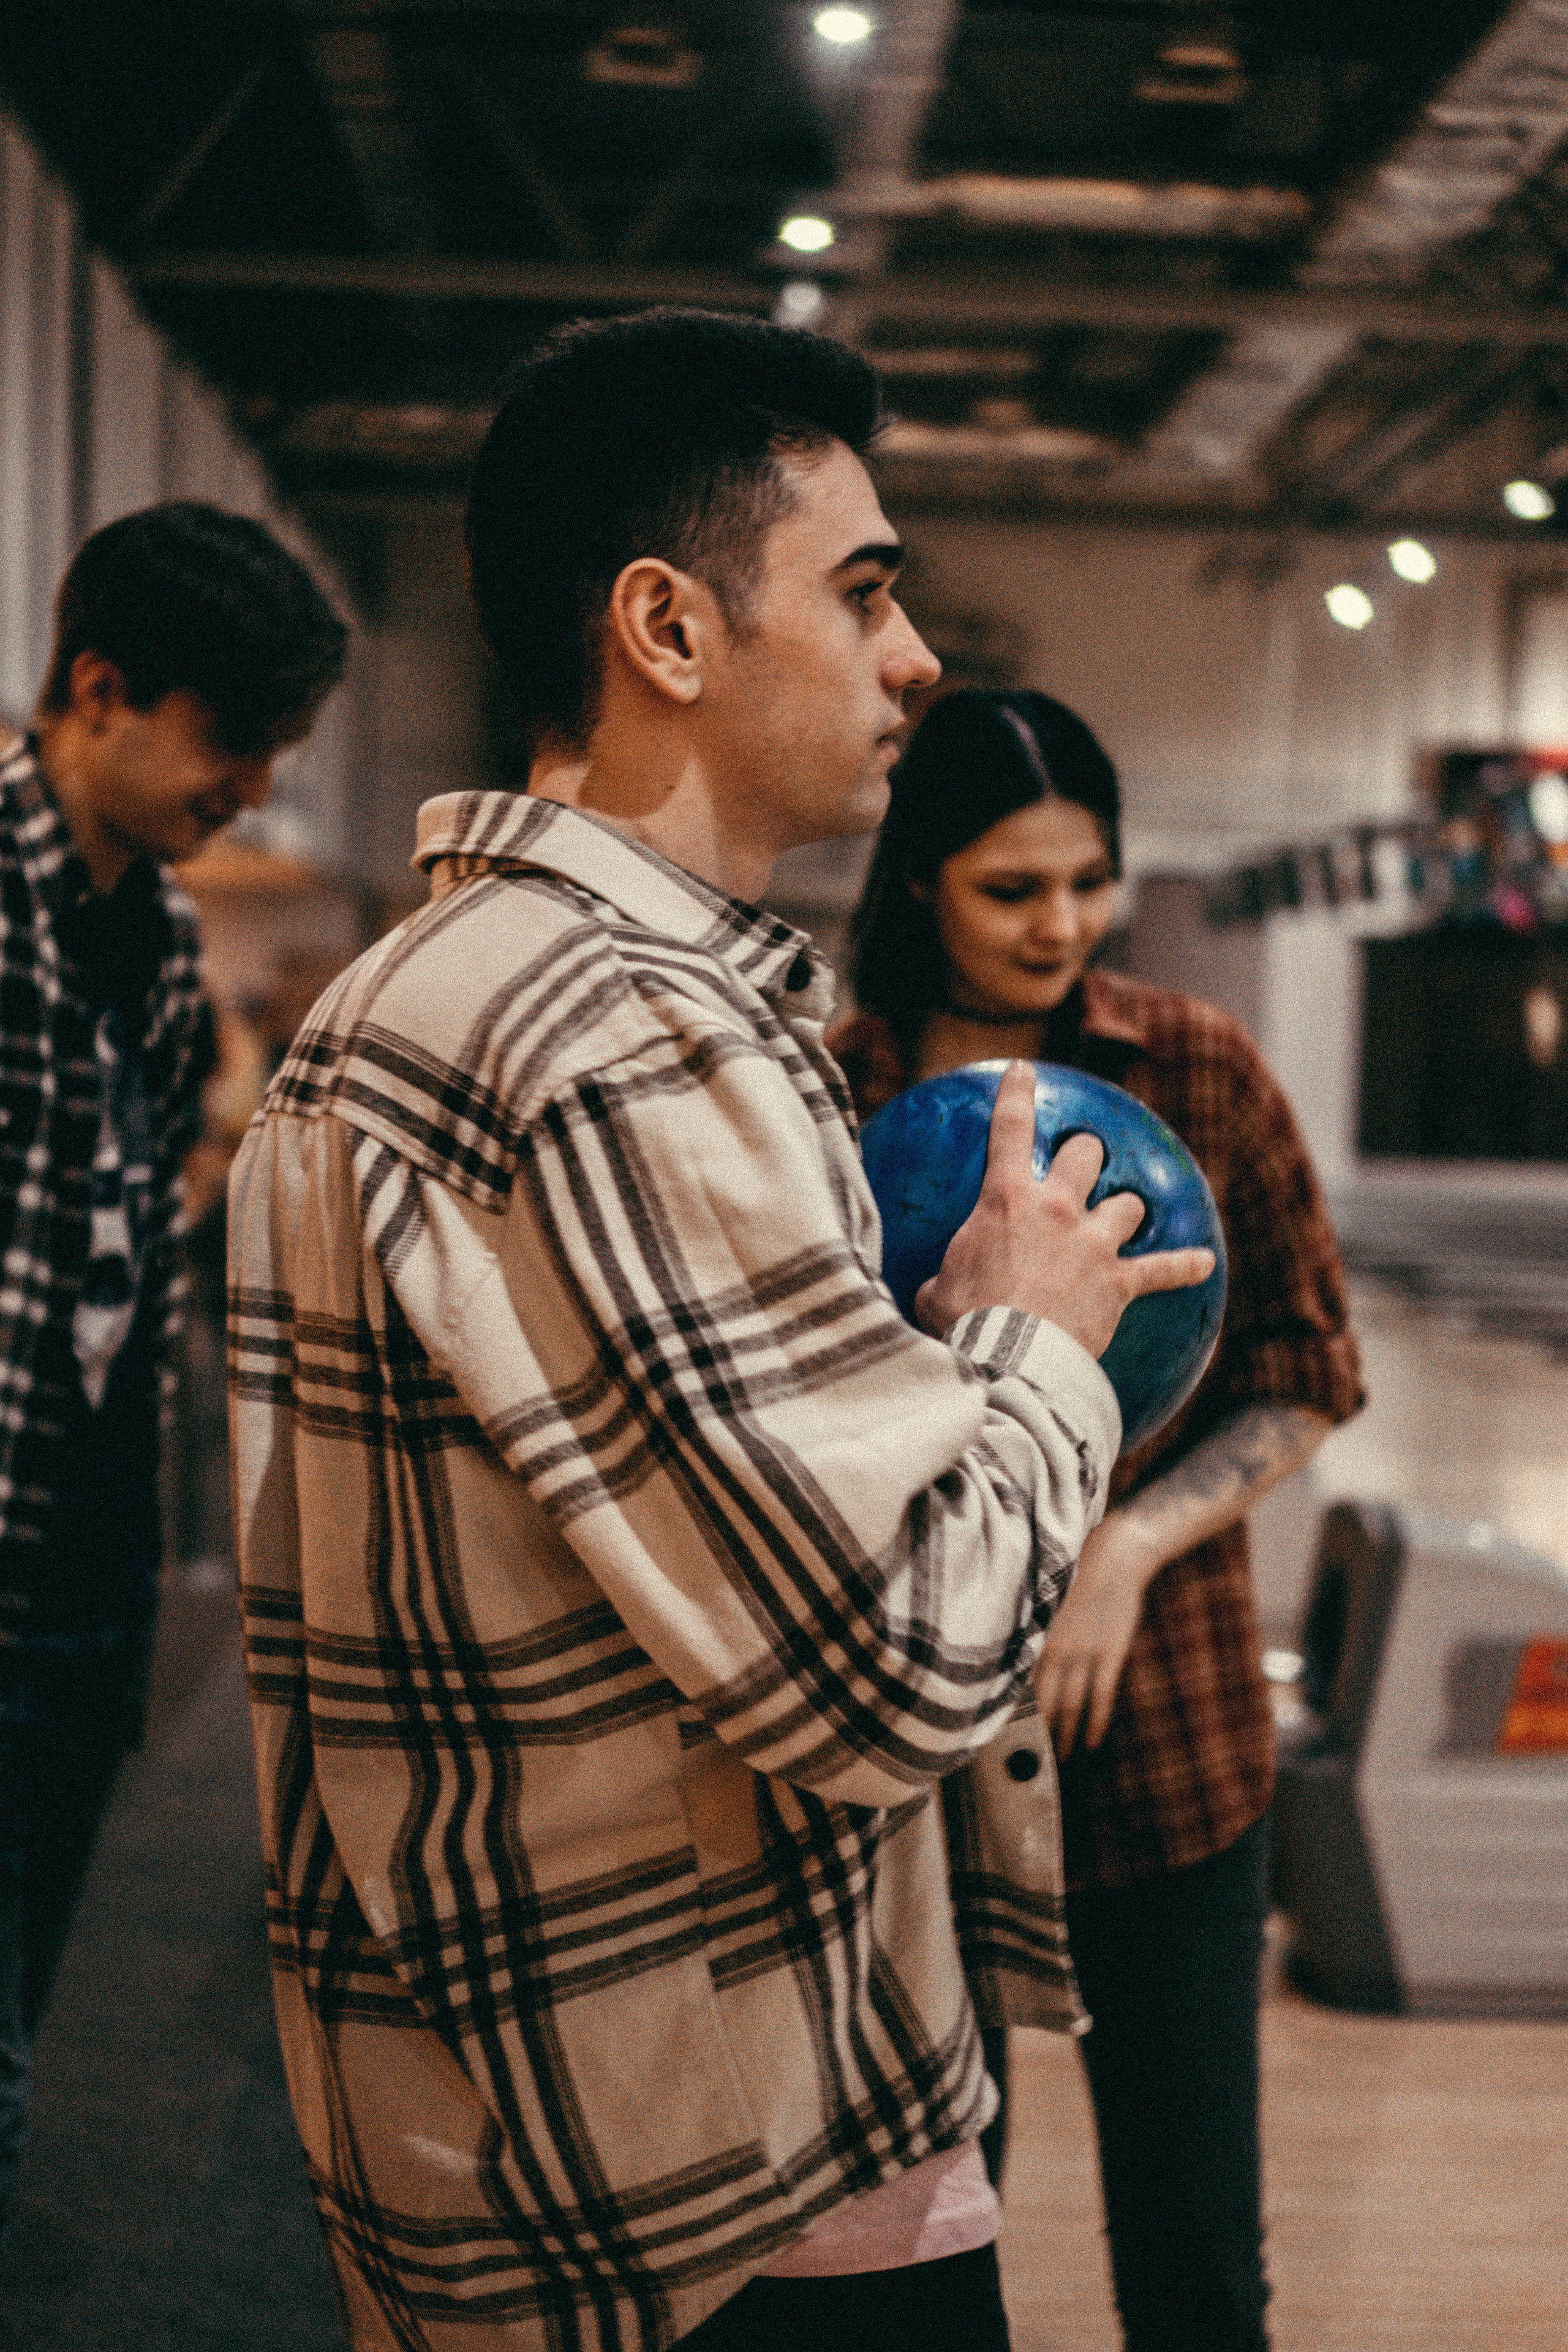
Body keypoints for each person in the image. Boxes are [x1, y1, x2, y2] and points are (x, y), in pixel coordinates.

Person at [227, 309, 1213, 2352]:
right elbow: (892, 1664)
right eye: (864, 594)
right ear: (666, 628)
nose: (916, 658)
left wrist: (918, 1373)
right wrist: (1037, 1345)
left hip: (546, 2140)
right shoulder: (617, 1039)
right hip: (717, 2194)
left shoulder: (424, 1006)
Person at [829, 687, 1365, 2351]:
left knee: (1198, 2261)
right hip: (909, 1757)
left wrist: (1128, 1548)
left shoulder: (1192, 1066)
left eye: (1090, 881)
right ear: (921, 880)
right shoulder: (824, 1082)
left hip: (1165, 1744)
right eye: (1012, 889)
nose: (1061, 926)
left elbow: (1308, 1370)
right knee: (917, 2251)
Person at [0, 502, 347, 2244]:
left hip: (81, 1569)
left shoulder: (151, 941)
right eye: (231, 744)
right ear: (99, 687)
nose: (254, 793)